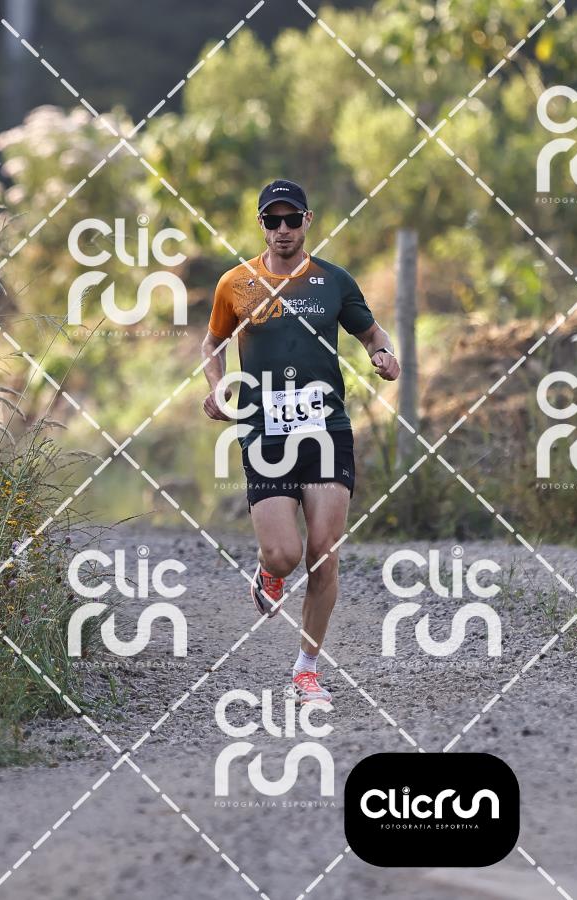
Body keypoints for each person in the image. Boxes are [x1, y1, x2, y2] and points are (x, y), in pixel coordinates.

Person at [201, 179, 400, 704]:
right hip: (264, 430)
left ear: (308, 221)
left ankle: (306, 670)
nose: (283, 229)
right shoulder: (235, 284)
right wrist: (218, 387)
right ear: (261, 224)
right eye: (273, 220)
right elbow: (212, 344)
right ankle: (269, 573)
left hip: (326, 429)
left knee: (323, 553)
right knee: (284, 553)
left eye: (292, 219)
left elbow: (371, 333)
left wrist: (383, 355)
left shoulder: (334, 281)